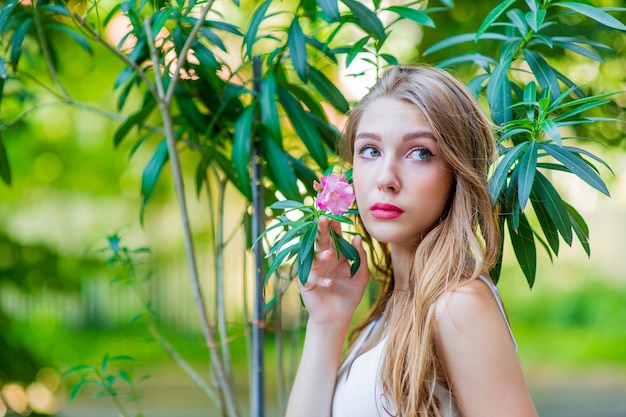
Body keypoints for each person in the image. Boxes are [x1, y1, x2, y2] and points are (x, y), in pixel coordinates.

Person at [284, 65, 539, 417]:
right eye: (370, 150)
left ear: (458, 172)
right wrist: (327, 323)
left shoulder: (458, 304)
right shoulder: (390, 310)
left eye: (420, 152)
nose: (386, 178)